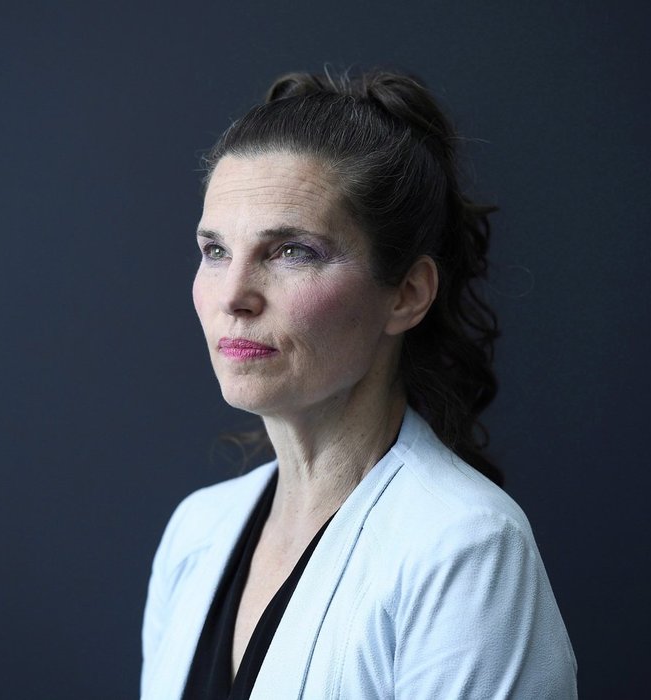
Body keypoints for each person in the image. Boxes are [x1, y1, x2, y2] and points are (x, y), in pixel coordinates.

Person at [140, 69, 577, 699]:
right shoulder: (196, 534)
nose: (233, 295)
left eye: (292, 251)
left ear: (407, 293)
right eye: (215, 251)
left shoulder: (465, 551)